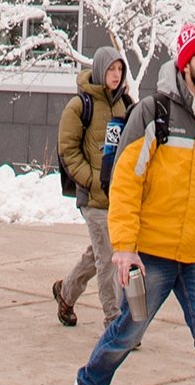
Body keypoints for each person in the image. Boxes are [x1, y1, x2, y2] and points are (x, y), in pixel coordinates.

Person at [74, 24, 195, 385]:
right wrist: (124, 246)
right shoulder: (153, 112)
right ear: (185, 63)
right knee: (129, 333)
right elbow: (126, 182)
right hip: (153, 253)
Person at [53, 47, 135, 329]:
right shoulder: (79, 106)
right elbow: (68, 151)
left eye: (120, 70)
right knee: (108, 260)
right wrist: (90, 179)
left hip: (118, 197)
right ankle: (115, 321)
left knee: (98, 252)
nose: (116, 75)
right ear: (101, 71)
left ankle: (66, 293)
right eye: (111, 69)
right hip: (93, 198)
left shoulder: (125, 104)